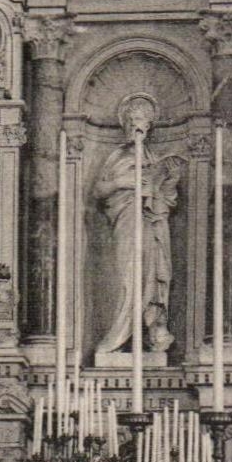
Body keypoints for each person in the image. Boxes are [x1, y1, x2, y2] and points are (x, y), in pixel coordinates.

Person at [94, 94, 182, 356]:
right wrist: (123, 182)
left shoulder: (154, 158)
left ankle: (154, 331)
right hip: (126, 221)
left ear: (150, 125)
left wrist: (170, 180)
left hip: (153, 225)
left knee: (155, 274)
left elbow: (167, 200)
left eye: (141, 120)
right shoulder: (117, 156)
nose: (136, 125)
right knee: (128, 276)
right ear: (125, 124)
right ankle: (118, 337)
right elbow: (99, 190)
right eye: (131, 120)